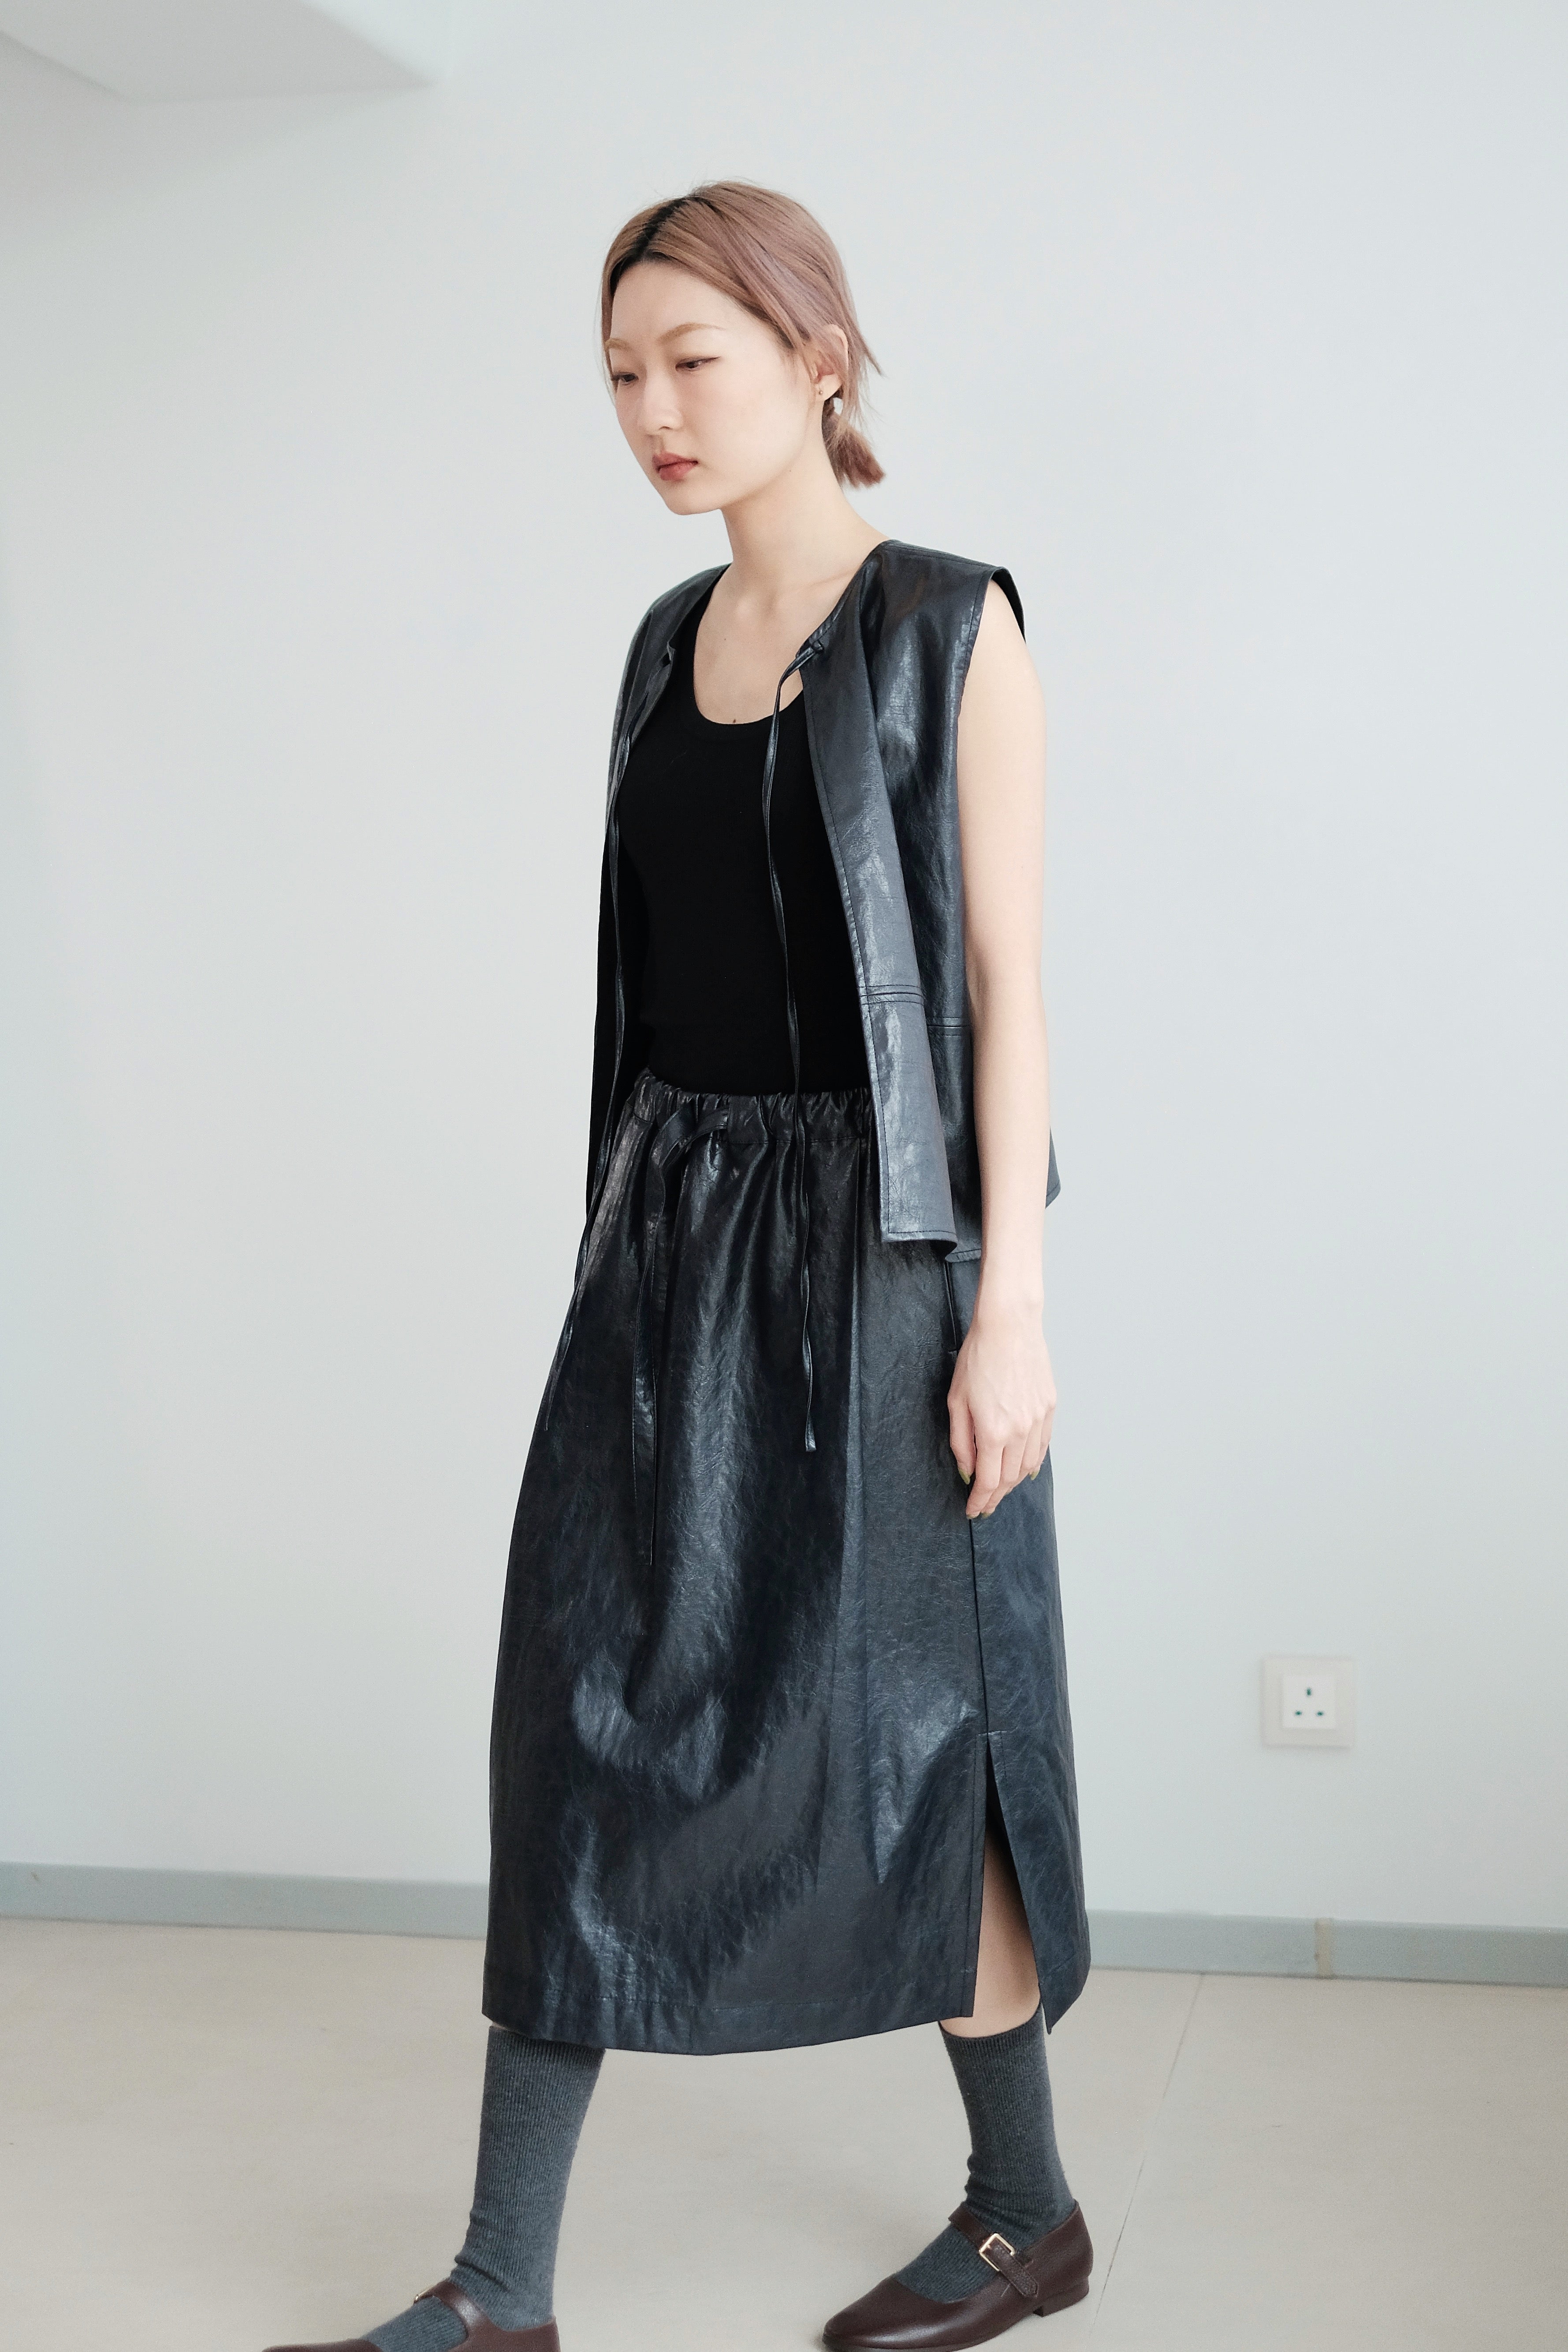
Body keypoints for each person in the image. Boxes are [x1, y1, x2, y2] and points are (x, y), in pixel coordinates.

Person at [268, 180, 1090, 2352]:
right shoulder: (662, 638)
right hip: (670, 1249)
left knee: (921, 1733)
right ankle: (498, 2287)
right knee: (580, 1721)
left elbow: (1006, 991)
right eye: (621, 371)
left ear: (816, 356)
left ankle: (1025, 2207)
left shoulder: (951, 625)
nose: (651, 406)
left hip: (886, 1256)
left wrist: (1006, 1303)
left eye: (691, 360)